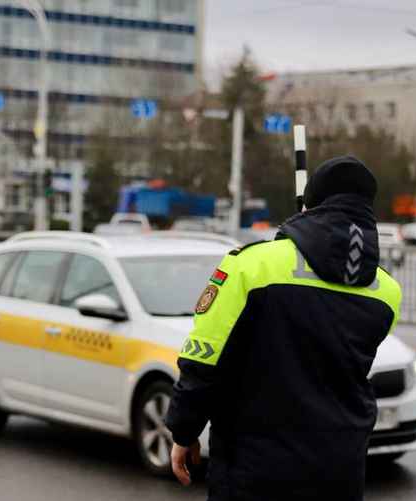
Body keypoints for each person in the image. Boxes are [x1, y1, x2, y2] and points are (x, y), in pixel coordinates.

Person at [165, 156, 402, 501]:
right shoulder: (386, 292)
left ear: (310, 204)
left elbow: (204, 358)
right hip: (340, 468)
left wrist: (184, 430)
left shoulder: (251, 266)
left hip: (255, 467)